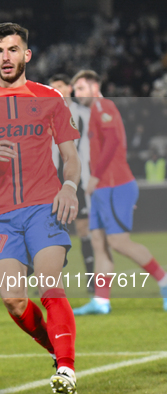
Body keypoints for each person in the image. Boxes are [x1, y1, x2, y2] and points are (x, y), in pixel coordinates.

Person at [0, 23, 80, 393]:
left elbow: (71, 157)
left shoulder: (50, 98)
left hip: (44, 206)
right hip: (0, 216)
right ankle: (57, 351)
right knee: (12, 300)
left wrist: (69, 188)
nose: (5, 57)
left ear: (26, 55)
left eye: (12, 50)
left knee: (48, 284)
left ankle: (67, 369)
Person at [71, 70, 167, 315]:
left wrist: (94, 176)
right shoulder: (96, 110)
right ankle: (101, 301)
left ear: (94, 86)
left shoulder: (103, 106)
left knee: (118, 241)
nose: (77, 93)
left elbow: (113, 142)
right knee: (98, 242)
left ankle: (164, 281)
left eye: (81, 88)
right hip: (104, 187)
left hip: (115, 184)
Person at [48, 74, 95, 293]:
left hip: (78, 180)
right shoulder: (44, 115)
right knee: (53, 230)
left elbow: (88, 148)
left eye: (60, 86)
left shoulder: (82, 114)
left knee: (83, 228)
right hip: (51, 181)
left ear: (68, 88)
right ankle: (50, 281)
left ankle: (91, 279)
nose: (57, 90)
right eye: (52, 87)